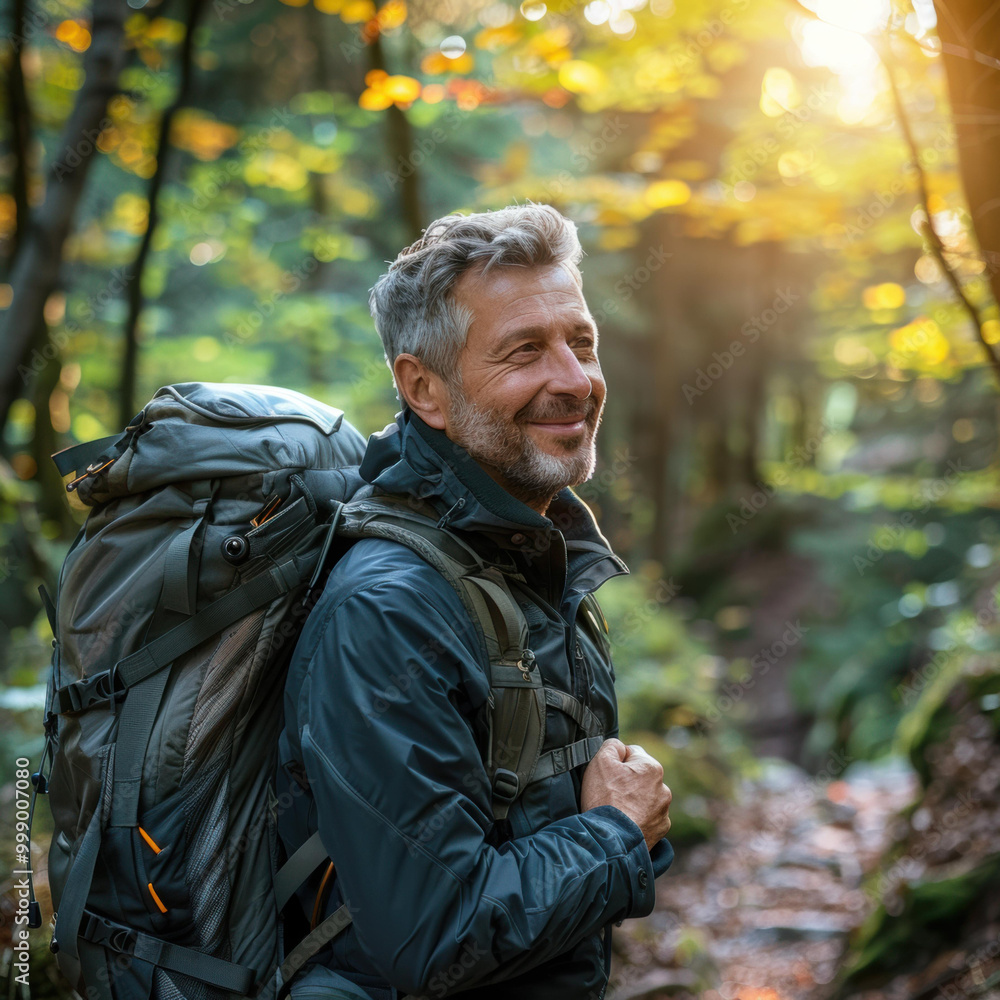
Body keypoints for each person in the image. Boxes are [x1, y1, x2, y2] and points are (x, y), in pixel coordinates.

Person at [276, 203, 674, 1000]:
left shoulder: (530, 559)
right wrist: (615, 833)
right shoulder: (389, 613)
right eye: (524, 352)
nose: (575, 381)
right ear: (424, 387)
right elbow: (434, 937)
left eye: (582, 342)